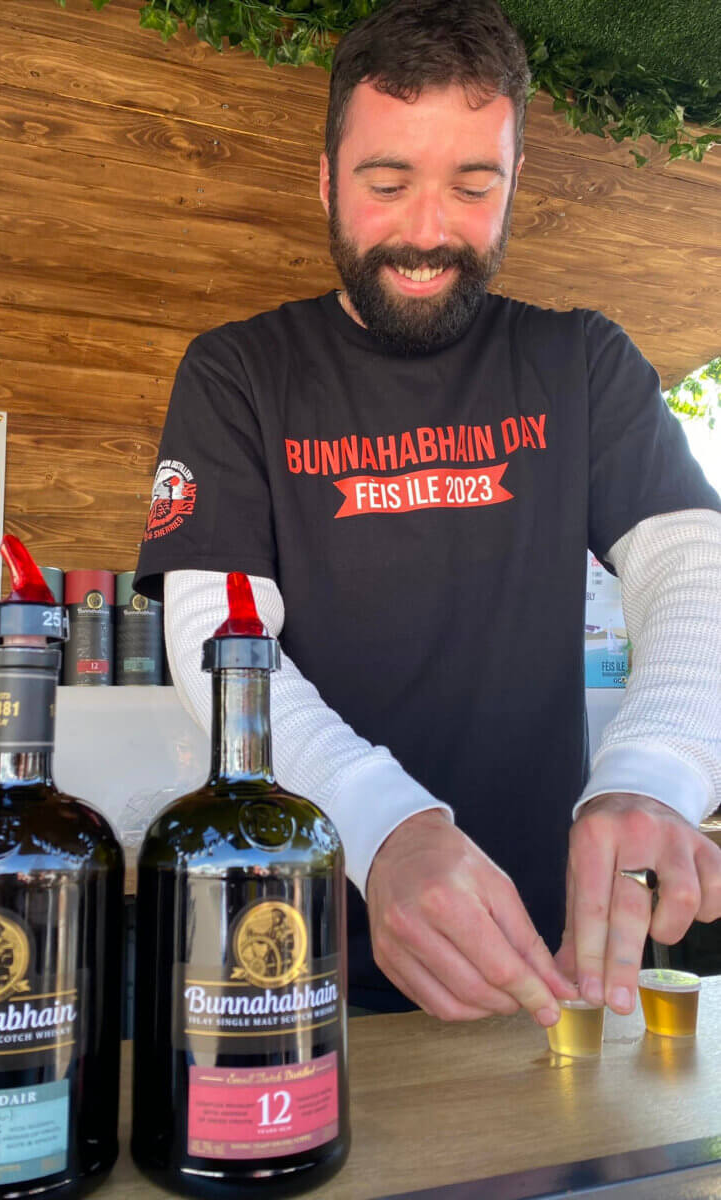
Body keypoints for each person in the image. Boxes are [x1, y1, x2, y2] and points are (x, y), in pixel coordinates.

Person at [135, 0, 721, 1026]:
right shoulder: (242, 373)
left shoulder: (580, 363)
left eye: (471, 186)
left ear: (514, 185)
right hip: (291, 950)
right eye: (387, 182)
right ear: (326, 179)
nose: (425, 231)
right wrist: (383, 826)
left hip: (547, 965)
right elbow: (216, 638)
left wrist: (653, 768)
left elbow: (693, 563)